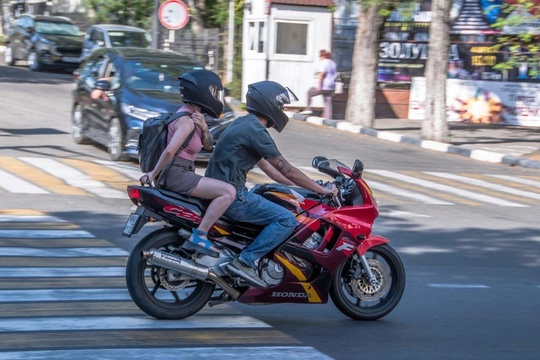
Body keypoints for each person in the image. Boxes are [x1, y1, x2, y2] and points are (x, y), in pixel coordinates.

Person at [205, 81, 338, 288]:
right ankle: (245, 261)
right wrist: (322, 189)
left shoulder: (243, 124)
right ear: (269, 105)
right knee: (286, 220)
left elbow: (271, 169)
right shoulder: (256, 131)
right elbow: (286, 168)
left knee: (266, 195)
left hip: (219, 190)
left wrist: (302, 188)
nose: (282, 111)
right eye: (281, 106)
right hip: (233, 197)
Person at [140, 69, 236, 255]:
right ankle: (200, 235)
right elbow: (170, 150)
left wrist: (204, 127)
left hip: (183, 172)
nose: (215, 96)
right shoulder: (186, 121)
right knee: (228, 192)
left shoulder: (192, 117)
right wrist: (153, 173)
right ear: (203, 92)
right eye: (213, 92)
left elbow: (208, 146)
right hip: (178, 174)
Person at [300, 49, 337, 119]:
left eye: (320, 56)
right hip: (331, 87)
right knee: (327, 102)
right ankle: (328, 118)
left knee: (309, 92)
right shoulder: (333, 63)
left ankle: (308, 109)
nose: (319, 57)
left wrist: (319, 86)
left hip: (324, 86)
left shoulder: (324, 63)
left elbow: (322, 74)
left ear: (322, 55)